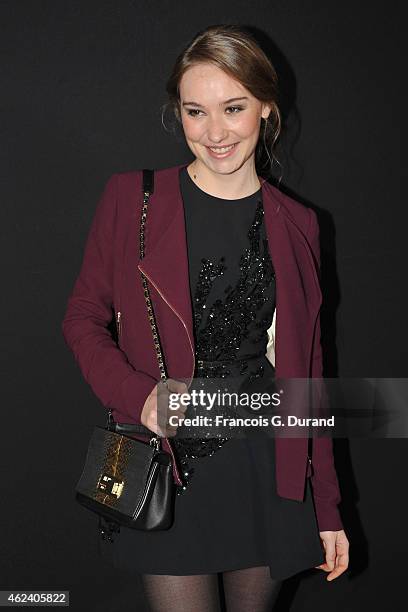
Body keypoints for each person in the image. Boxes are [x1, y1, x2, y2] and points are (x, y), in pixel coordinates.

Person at [62, 24, 349, 612]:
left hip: (267, 468)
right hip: (170, 465)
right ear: (179, 114)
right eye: (196, 111)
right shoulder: (131, 199)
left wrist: (327, 507)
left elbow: (308, 376)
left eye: (234, 108)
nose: (215, 133)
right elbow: (83, 317)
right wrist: (137, 395)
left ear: (267, 109)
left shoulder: (300, 224)